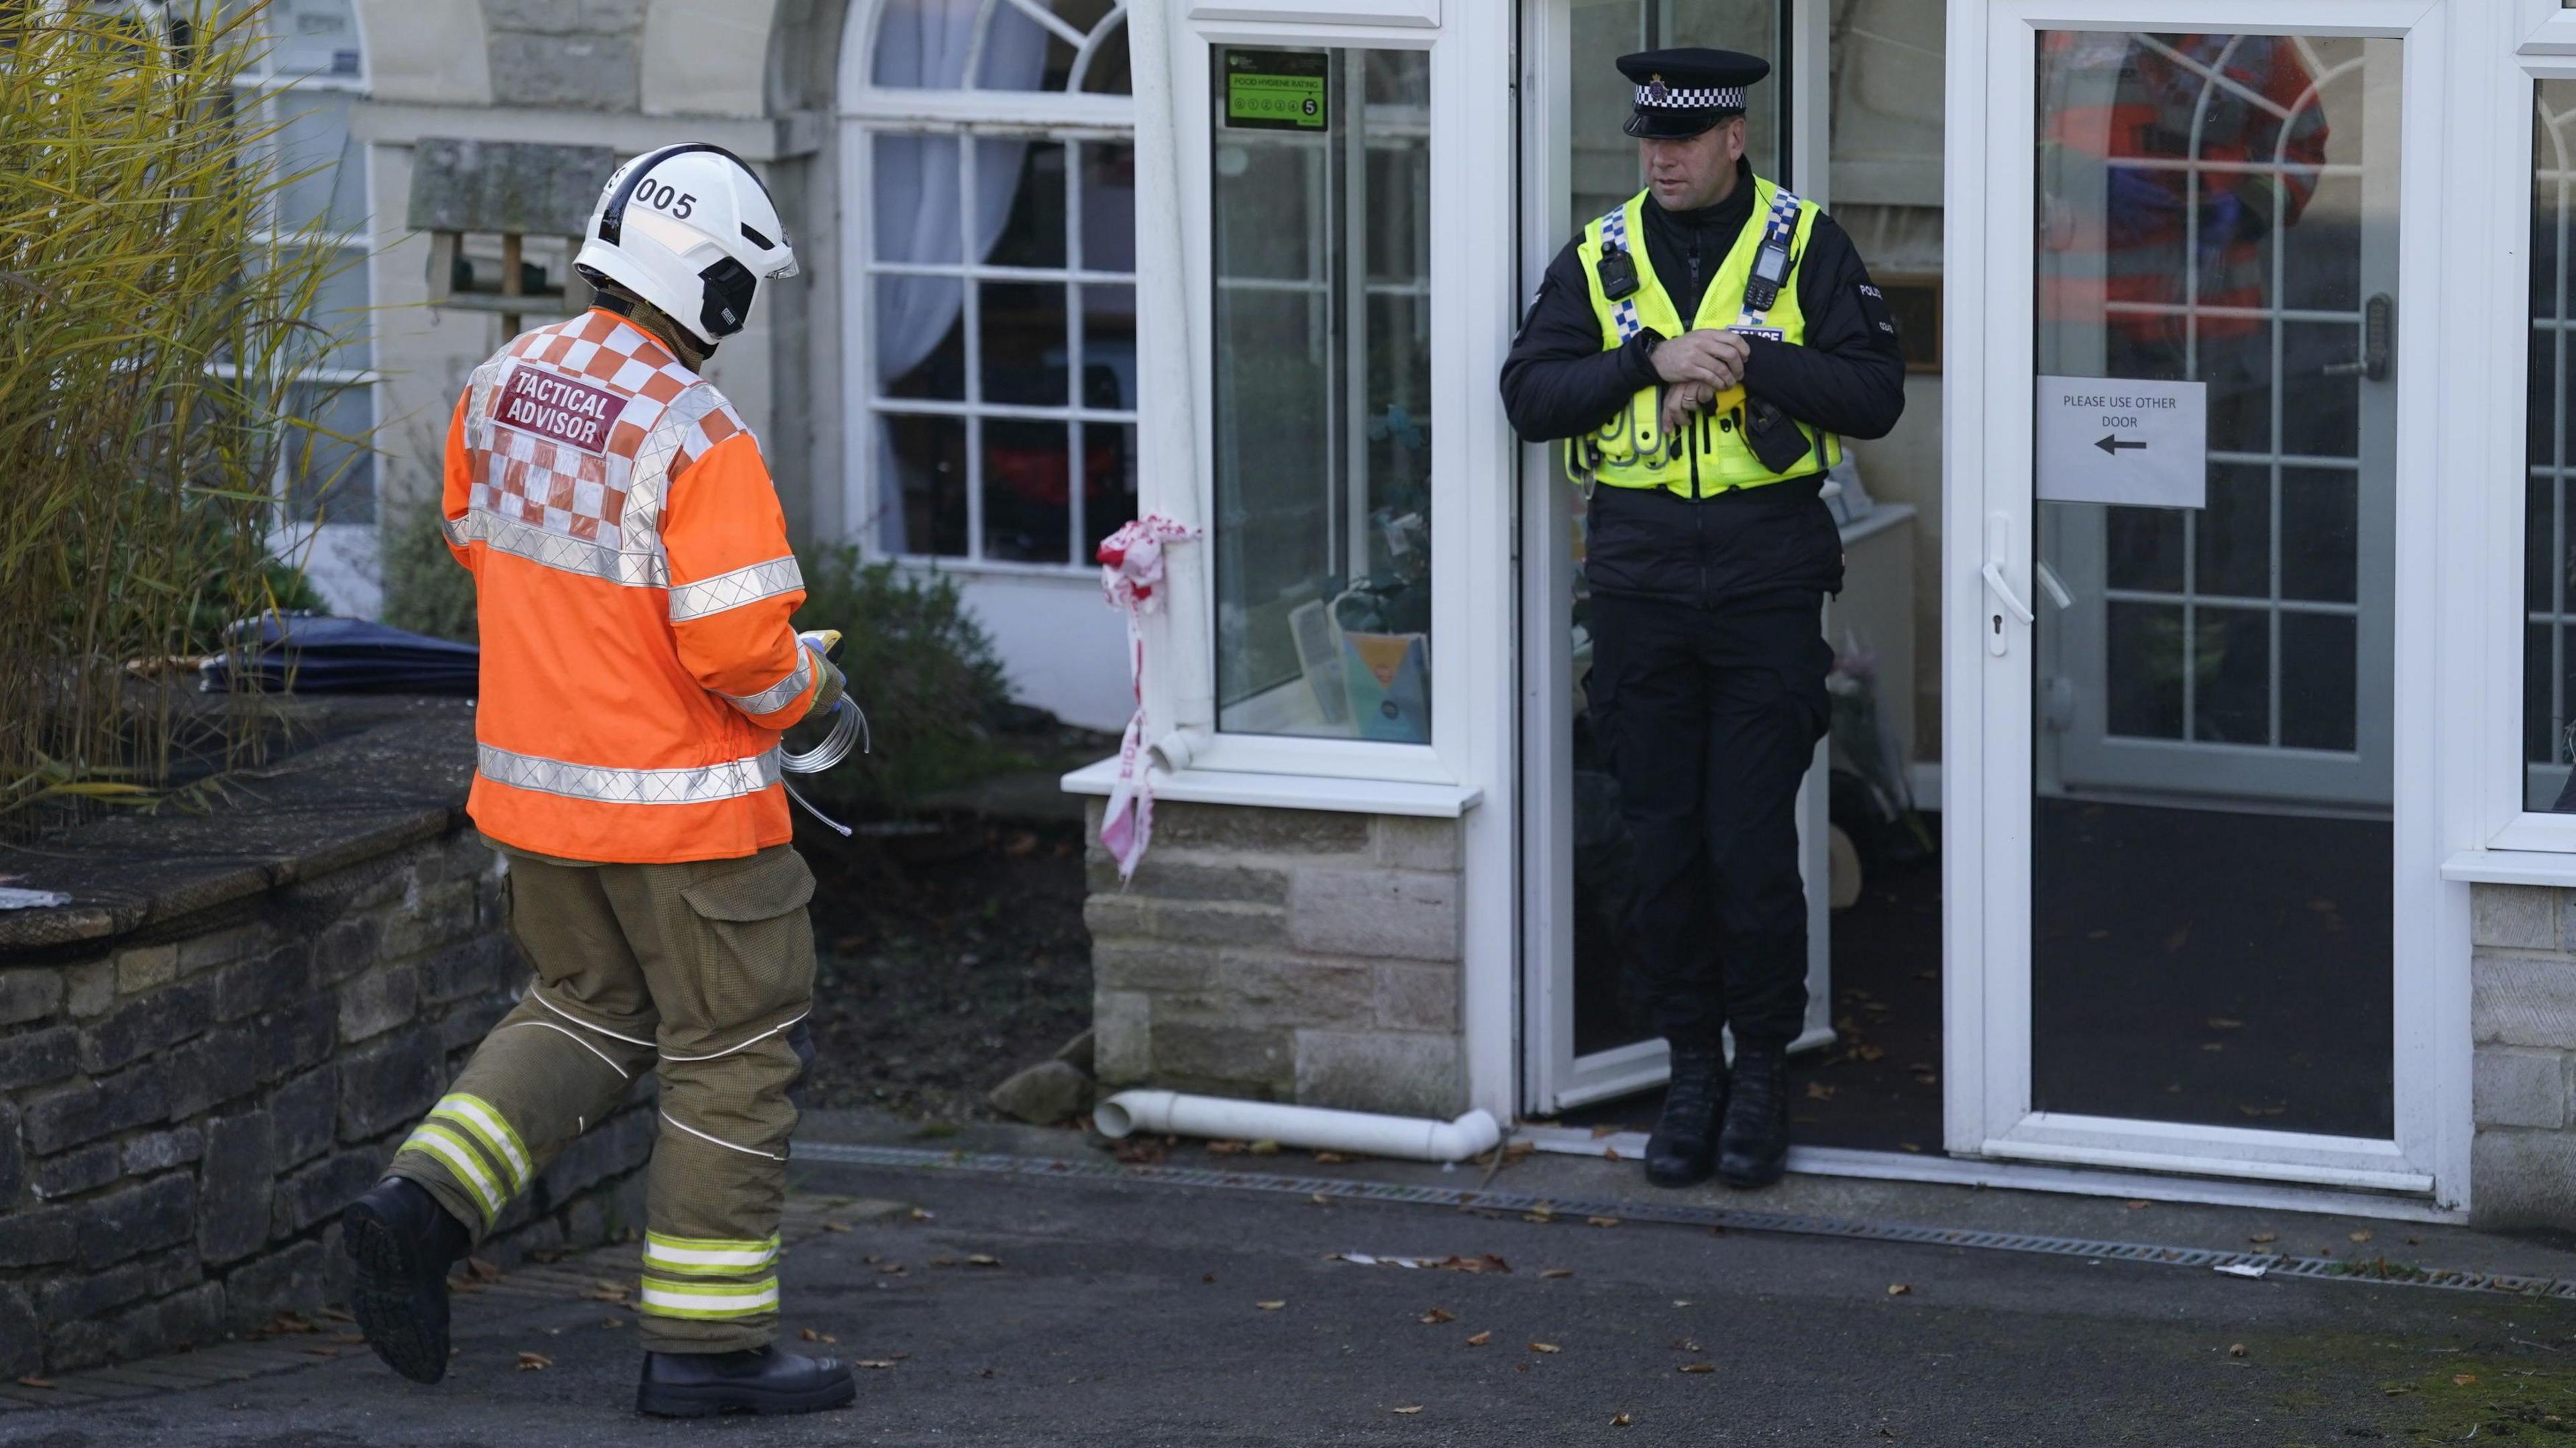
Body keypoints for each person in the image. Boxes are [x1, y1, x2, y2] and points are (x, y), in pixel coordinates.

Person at [340, 144, 857, 1418]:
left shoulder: (501, 383)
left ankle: (418, 1207)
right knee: (732, 1050)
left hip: (540, 806)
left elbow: (480, 541)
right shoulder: (698, 432)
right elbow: (739, 649)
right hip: (688, 820)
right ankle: (707, 1349)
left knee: (585, 1008)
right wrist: (820, 697)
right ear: (717, 289)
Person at [1500, 48, 1904, 1190]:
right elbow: (1529, 397)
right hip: (1638, 588)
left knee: (1748, 843)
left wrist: (1751, 362)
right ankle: (1691, 1068)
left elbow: (1876, 393)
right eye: (1648, 139)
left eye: (1683, 138)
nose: (1661, 157)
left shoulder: (1806, 243)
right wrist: (1648, 359)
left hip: (1768, 581)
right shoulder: (1601, 254)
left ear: (1735, 138)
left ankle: (1762, 1068)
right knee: (1662, 840)